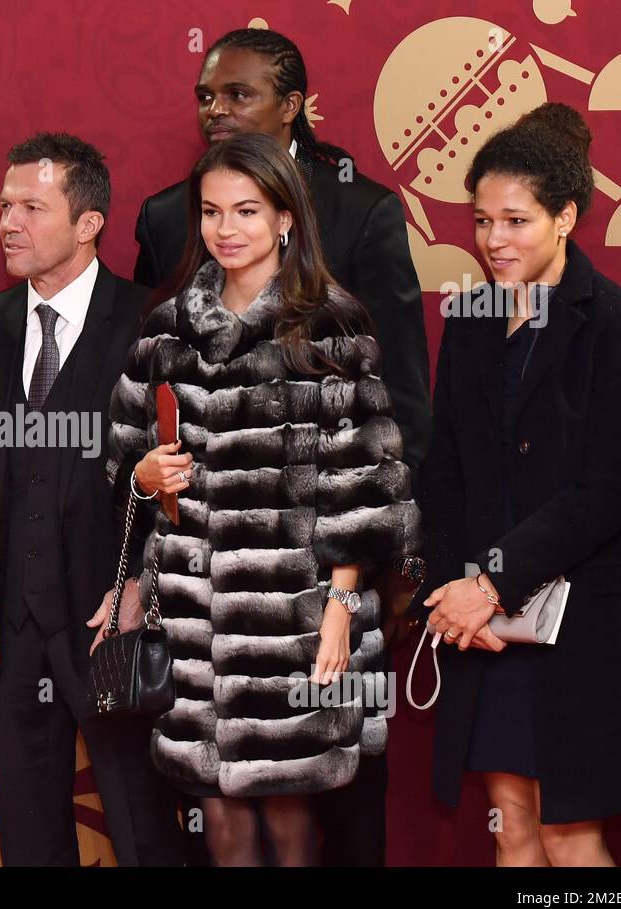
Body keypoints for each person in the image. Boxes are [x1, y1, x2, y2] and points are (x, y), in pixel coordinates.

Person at [132, 28, 431, 864]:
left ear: (292, 104)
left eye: (238, 94)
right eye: (205, 96)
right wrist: (146, 482)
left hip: (320, 577)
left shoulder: (359, 209)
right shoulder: (164, 218)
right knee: (221, 812)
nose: (216, 111)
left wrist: (384, 571)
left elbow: (398, 405)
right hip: (201, 598)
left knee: (333, 804)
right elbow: (143, 417)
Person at [409, 103, 621, 866]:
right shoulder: (470, 318)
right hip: (488, 627)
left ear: (565, 217)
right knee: (511, 826)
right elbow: (446, 472)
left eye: (516, 221)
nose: (493, 241)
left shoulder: (620, 324)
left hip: (583, 619)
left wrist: (492, 585)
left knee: (572, 837)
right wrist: (449, 591)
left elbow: (606, 489)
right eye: (480, 221)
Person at [0, 132, 184, 866]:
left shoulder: (150, 322)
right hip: (6, 626)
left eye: (32, 207)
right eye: (5, 205)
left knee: (145, 826)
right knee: (27, 834)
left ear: (87, 224)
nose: (9, 222)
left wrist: (142, 583)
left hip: (114, 624)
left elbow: (177, 471)